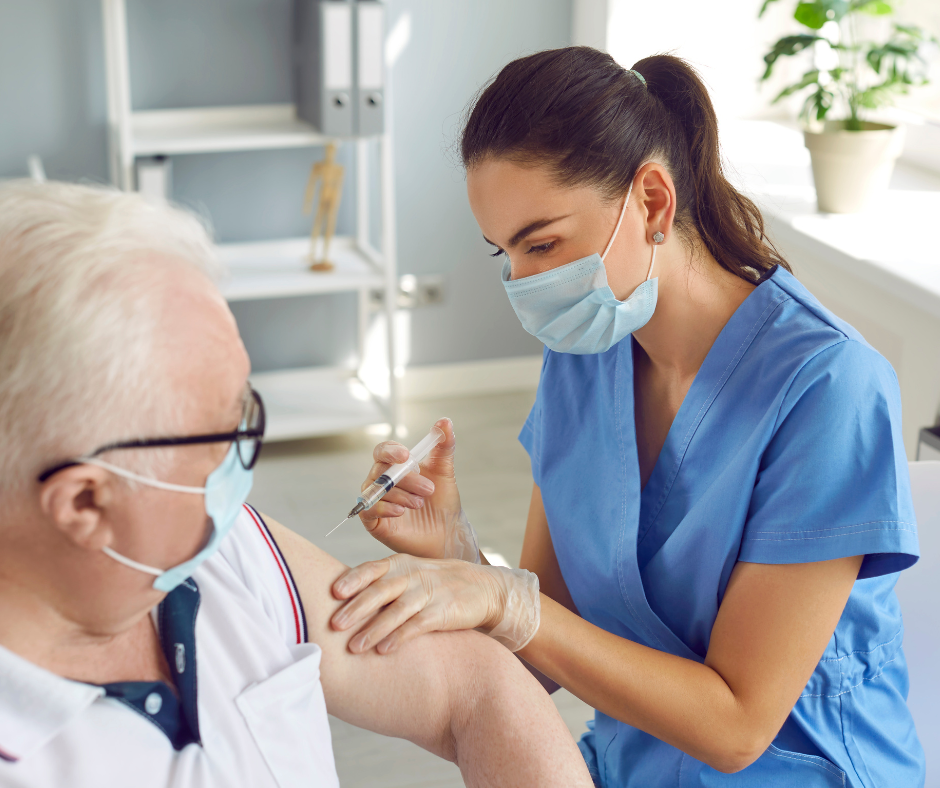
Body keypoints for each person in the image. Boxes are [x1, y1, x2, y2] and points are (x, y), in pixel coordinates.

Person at [328, 48, 925, 787]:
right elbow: (544, 647)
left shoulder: (828, 389)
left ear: (652, 202)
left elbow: (736, 727)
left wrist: (503, 600)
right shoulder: (584, 356)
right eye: (505, 253)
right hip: (628, 768)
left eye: (543, 243)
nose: (523, 282)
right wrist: (457, 553)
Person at [0, 179, 593, 788]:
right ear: (85, 503)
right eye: (223, 431)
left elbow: (480, 686)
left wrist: (468, 566)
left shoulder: (220, 551)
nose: (241, 457)